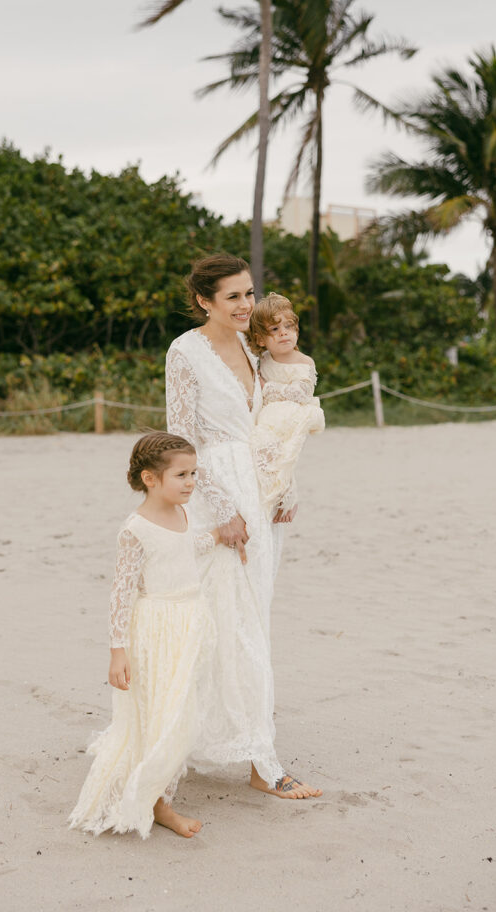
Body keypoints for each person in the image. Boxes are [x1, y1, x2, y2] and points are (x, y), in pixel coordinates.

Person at [165, 253, 322, 800]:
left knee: (253, 619)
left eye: (249, 293)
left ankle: (252, 748)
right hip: (216, 498)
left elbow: (272, 427)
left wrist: (286, 486)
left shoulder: (255, 351)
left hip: (261, 496)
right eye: (232, 296)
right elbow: (180, 438)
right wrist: (220, 507)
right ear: (204, 300)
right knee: (223, 623)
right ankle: (258, 759)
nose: (245, 305)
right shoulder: (185, 352)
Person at [68, 432, 220, 840]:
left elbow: (184, 550)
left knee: (181, 712)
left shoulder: (184, 515)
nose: (190, 482)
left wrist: (218, 537)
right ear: (150, 479)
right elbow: (121, 592)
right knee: (161, 716)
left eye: (194, 473)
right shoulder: (136, 529)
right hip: (155, 629)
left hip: (188, 621)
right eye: (181, 475)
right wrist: (118, 652)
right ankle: (158, 804)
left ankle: (156, 793)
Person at [247, 292, 325, 518]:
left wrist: (266, 386)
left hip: (291, 414)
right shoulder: (263, 360)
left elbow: (300, 394)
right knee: (266, 451)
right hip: (269, 413)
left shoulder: (304, 362)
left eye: (289, 327)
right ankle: (276, 494)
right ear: (261, 339)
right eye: (274, 329)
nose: (283, 333)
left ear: (296, 331)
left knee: (279, 452)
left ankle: (285, 495)